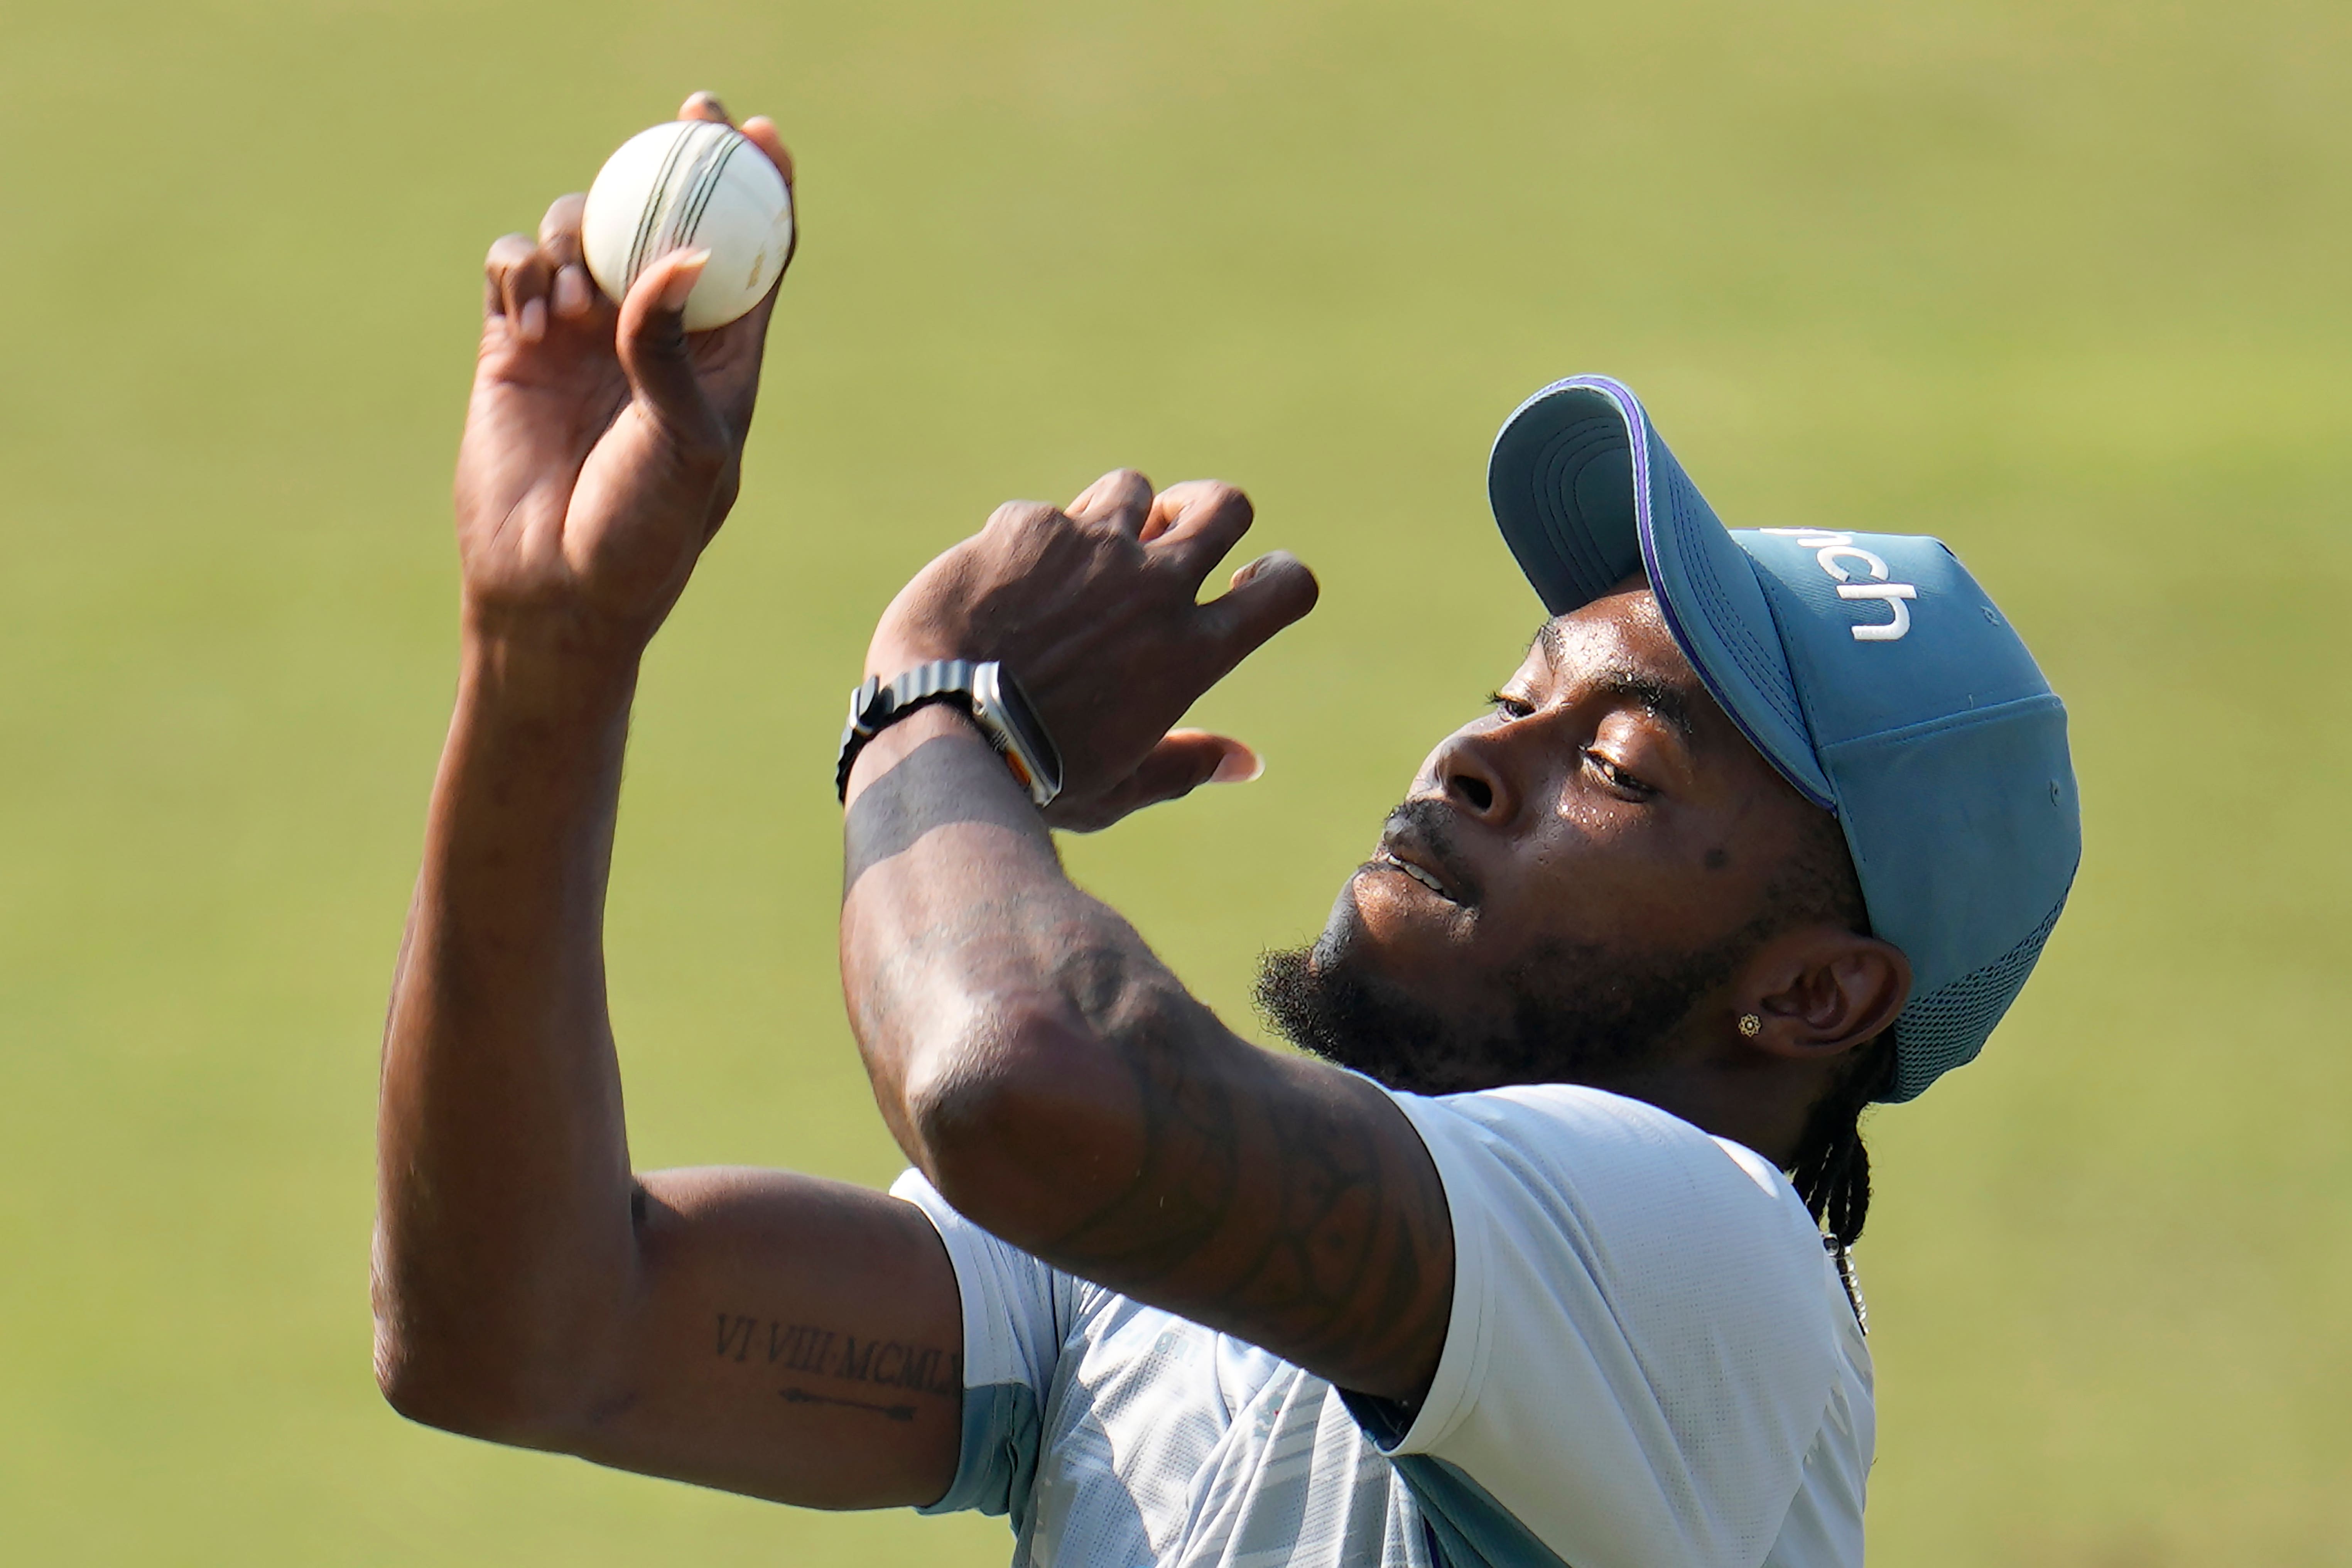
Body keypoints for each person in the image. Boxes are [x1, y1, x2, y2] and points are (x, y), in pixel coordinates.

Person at [374, 95, 2081, 1568]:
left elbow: (1013, 1080)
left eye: (1620, 766)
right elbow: (516, 1338)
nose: (1477, 756)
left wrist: (936, 707)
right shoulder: (1173, 1252)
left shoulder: (1705, 1266)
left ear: (1813, 995)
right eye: (1512, 693)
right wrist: (548, 653)